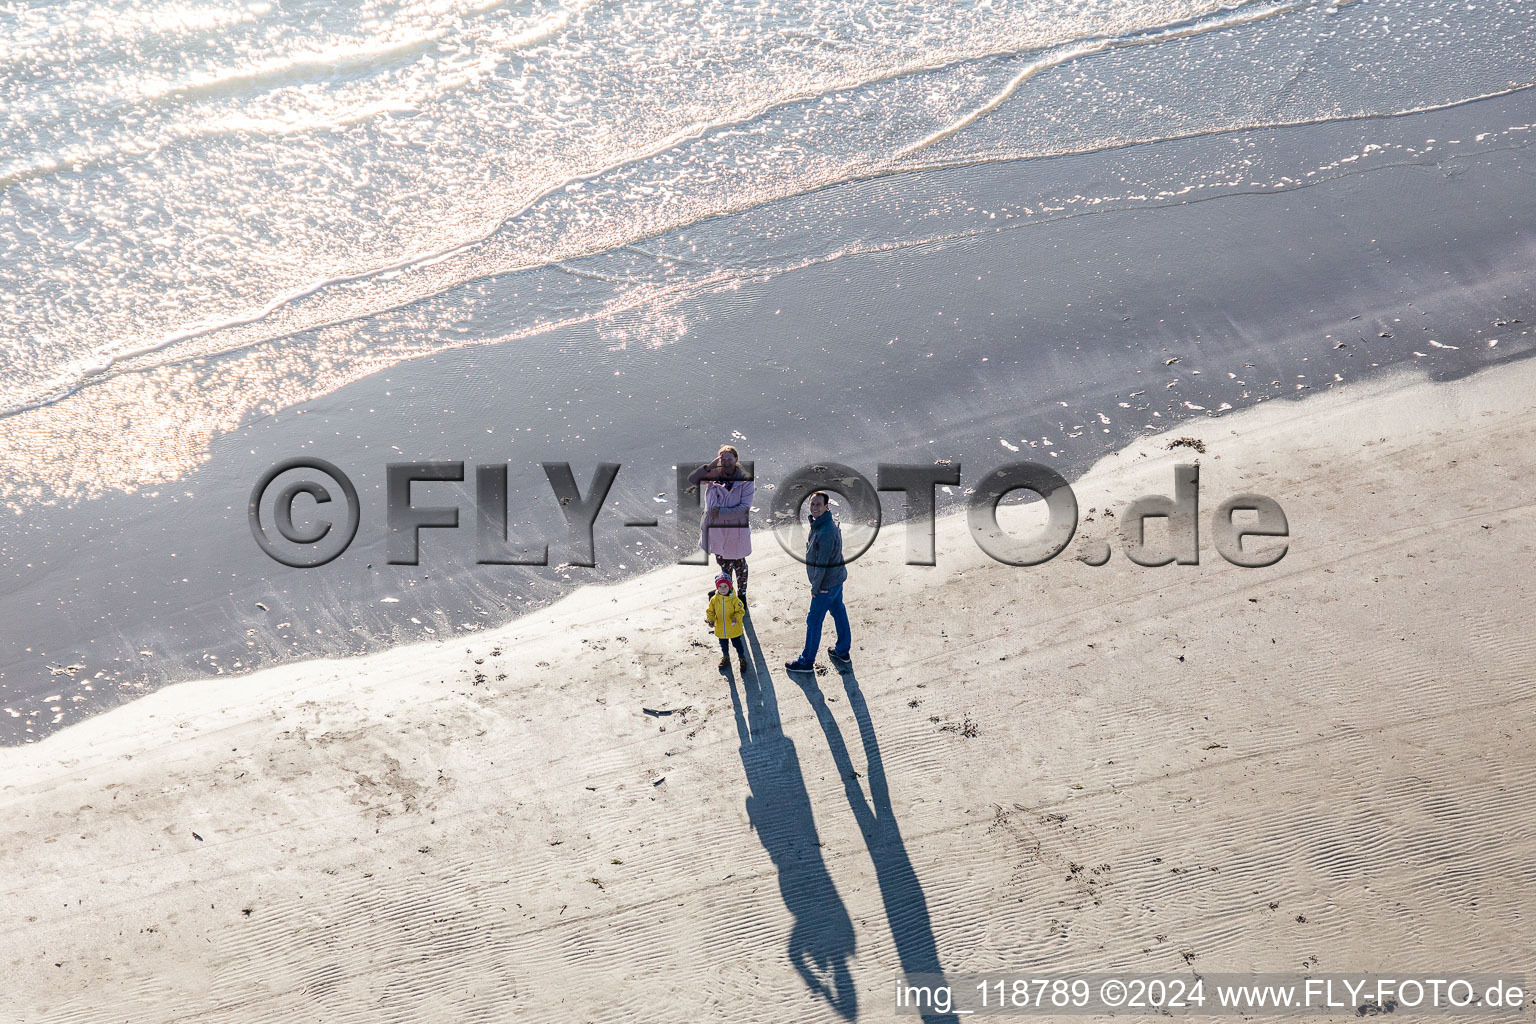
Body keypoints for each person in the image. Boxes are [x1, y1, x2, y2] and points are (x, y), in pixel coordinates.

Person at [785, 491, 851, 672]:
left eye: (818, 504)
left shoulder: (826, 530)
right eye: (812, 504)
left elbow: (822, 562)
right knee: (839, 611)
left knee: (814, 621)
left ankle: (806, 662)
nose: (814, 508)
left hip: (826, 585)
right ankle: (842, 651)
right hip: (836, 580)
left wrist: (816, 587)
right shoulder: (822, 524)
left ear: (826, 507)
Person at [687, 444, 753, 604]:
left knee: (739, 563)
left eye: (729, 458)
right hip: (715, 530)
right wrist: (709, 466)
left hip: (735, 529)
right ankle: (727, 591)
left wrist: (720, 513)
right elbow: (692, 479)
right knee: (724, 563)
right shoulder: (713, 475)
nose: (726, 461)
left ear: (736, 459)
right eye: (723, 458)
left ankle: (742, 594)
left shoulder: (745, 480)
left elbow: (744, 508)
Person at [705, 573, 749, 673]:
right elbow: (710, 611)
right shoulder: (714, 600)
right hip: (721, 628)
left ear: (730, 586)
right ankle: (726, 657)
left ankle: (742, 658)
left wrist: (736, 617)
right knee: (723, 644)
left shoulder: (734, 600)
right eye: (720, 586)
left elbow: (741, 610)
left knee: (737, 644)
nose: (722, 589)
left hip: (733, 628)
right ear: (717, 588)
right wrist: (710, 619)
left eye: (725, 586)